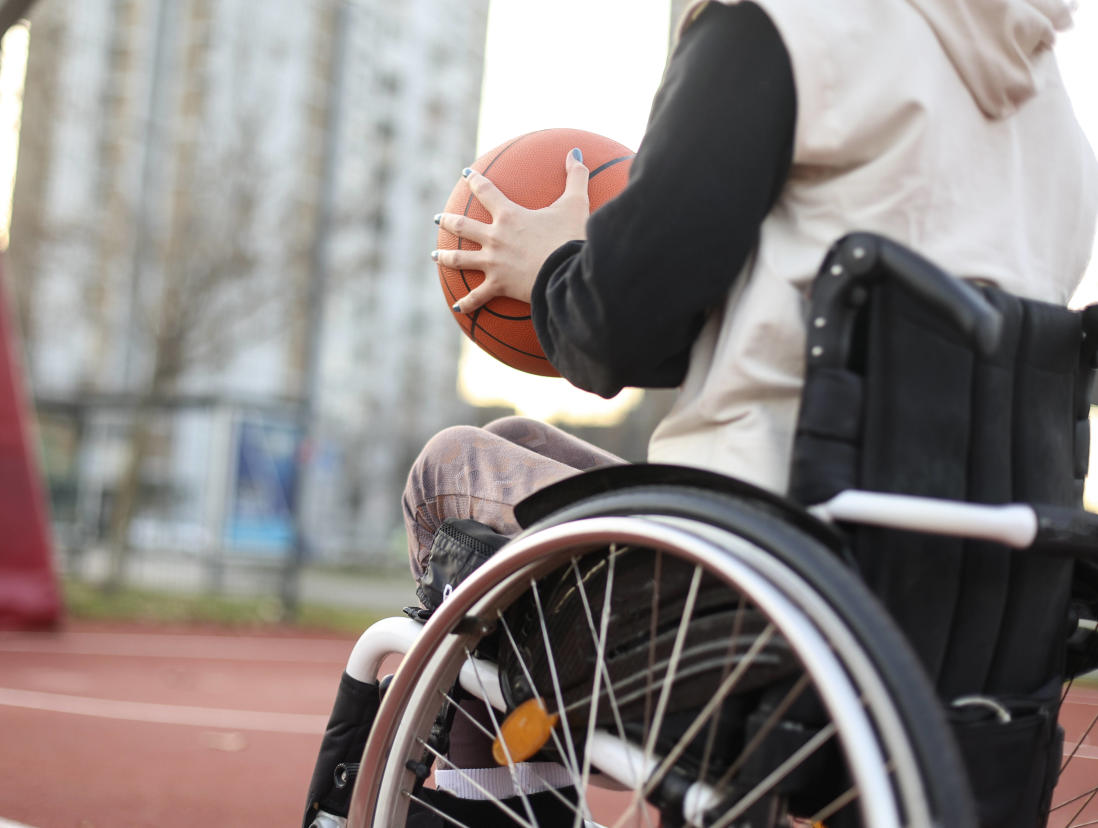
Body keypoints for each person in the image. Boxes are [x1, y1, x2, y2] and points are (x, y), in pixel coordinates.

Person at [401, 0, 1098, 823]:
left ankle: (508, 788)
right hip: (981, 629)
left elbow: (615, 331)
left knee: (454, 475)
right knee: (516, 441)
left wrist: (554, 262)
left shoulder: (777, 25)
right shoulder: (1053, 119)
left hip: (768, 596)